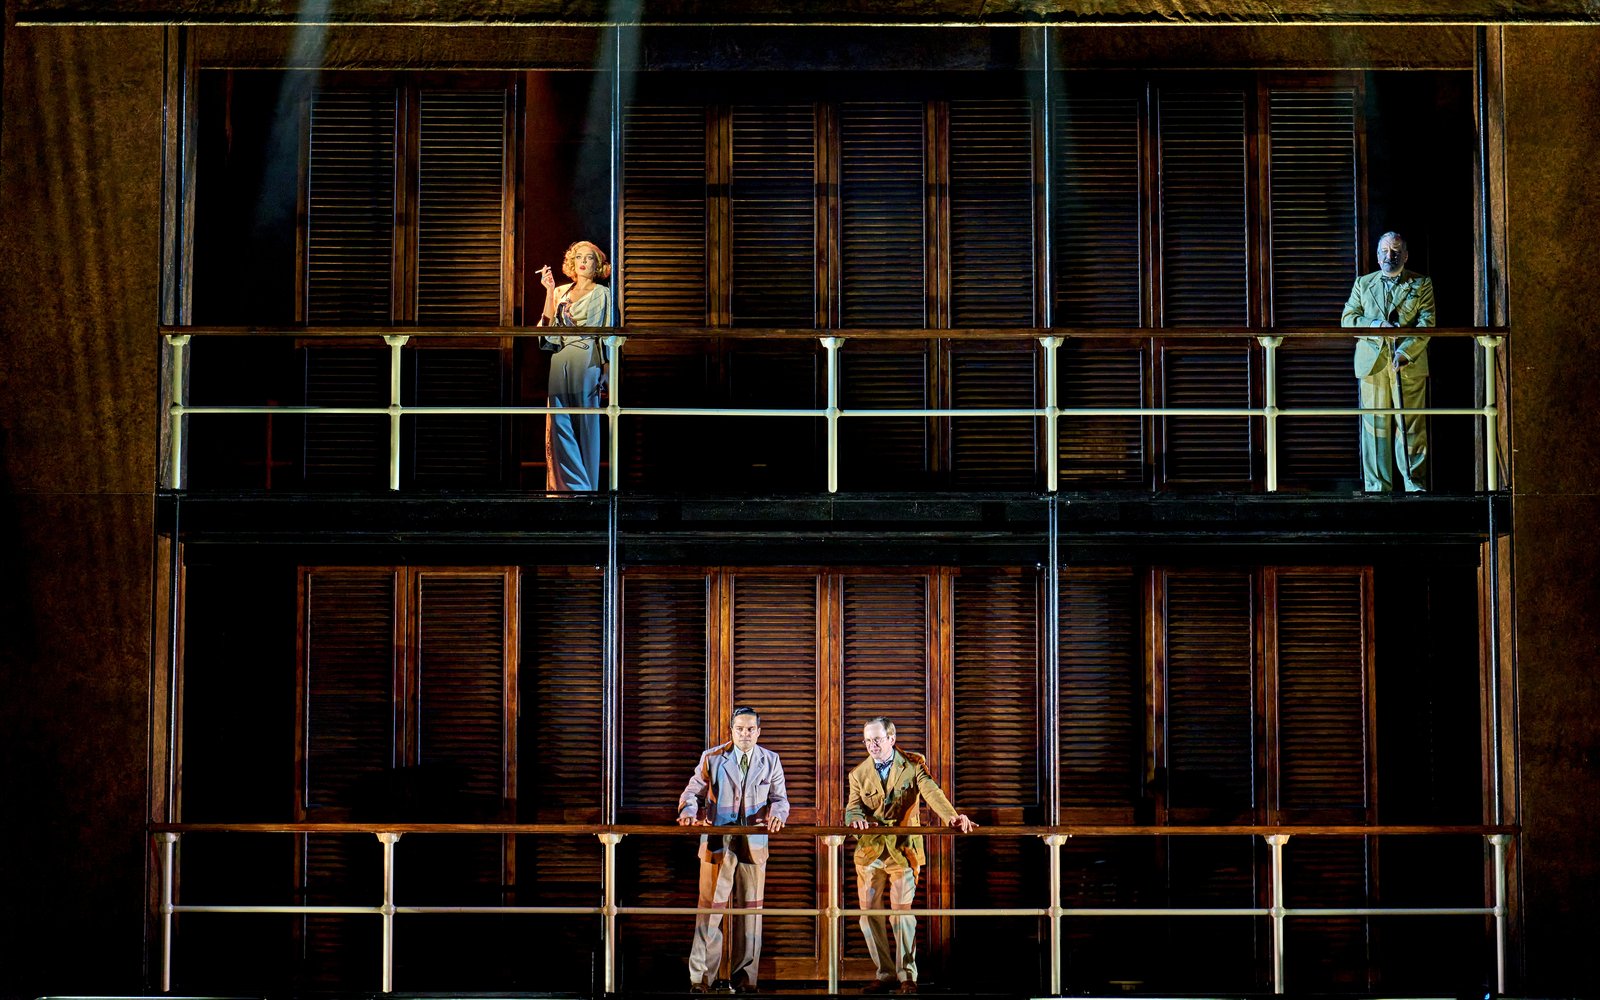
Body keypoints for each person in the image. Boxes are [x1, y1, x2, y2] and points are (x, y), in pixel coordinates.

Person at [844, 717, 977, 995]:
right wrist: (855, 819)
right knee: (868, 916)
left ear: (891, 739)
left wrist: (952, 818)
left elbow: (932, 792)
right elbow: (853, 807)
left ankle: (907, 976)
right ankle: (884, 974)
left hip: (903, 851)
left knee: (901, 914)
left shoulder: (913, 764)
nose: (872, 745)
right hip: (870, 852)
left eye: (877, 739)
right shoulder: (858, 773)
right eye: (867, 740)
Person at [678, 707, 791, 994]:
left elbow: (780, 799)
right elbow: (692, 792)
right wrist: (689, 811)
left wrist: (778, 814)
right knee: (709, 912)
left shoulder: (771, 760)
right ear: (731, 730)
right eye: (739, 729)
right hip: (718, 843)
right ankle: (701, 979)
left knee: (750, 914)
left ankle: (745, 981)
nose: (745, 734)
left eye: (750, 729)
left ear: (758, 732)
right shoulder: (712, 757)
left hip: (753, 845)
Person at [1341, 231, 1436, 493]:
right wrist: (1375, 326)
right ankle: (1376, 488)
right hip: (1373, 365)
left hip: (1407, 364)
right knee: (1374, 426)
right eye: (1384, 251)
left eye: (1395, 251)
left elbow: (1427, 322)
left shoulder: (1422, 283)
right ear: (1377, 255)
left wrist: (1406, 352)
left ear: (1405, 256)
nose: (1389, 256)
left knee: (1411, 424)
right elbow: (1348, 319)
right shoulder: (1363, 283)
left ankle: (1414, 485)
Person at [538, 240, 614, 492]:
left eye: (589, 258)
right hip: (560, 358)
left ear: (597, 264)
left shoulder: (603, 293)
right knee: (559, 420)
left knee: (585, 420)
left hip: (587, 357)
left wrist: (606, 370)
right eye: (579, 257)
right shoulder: (560, 291)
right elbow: (547, 331)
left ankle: (585, 487)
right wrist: (549, 291)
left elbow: (607, 333)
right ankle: (562, 488)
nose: (583, 261)